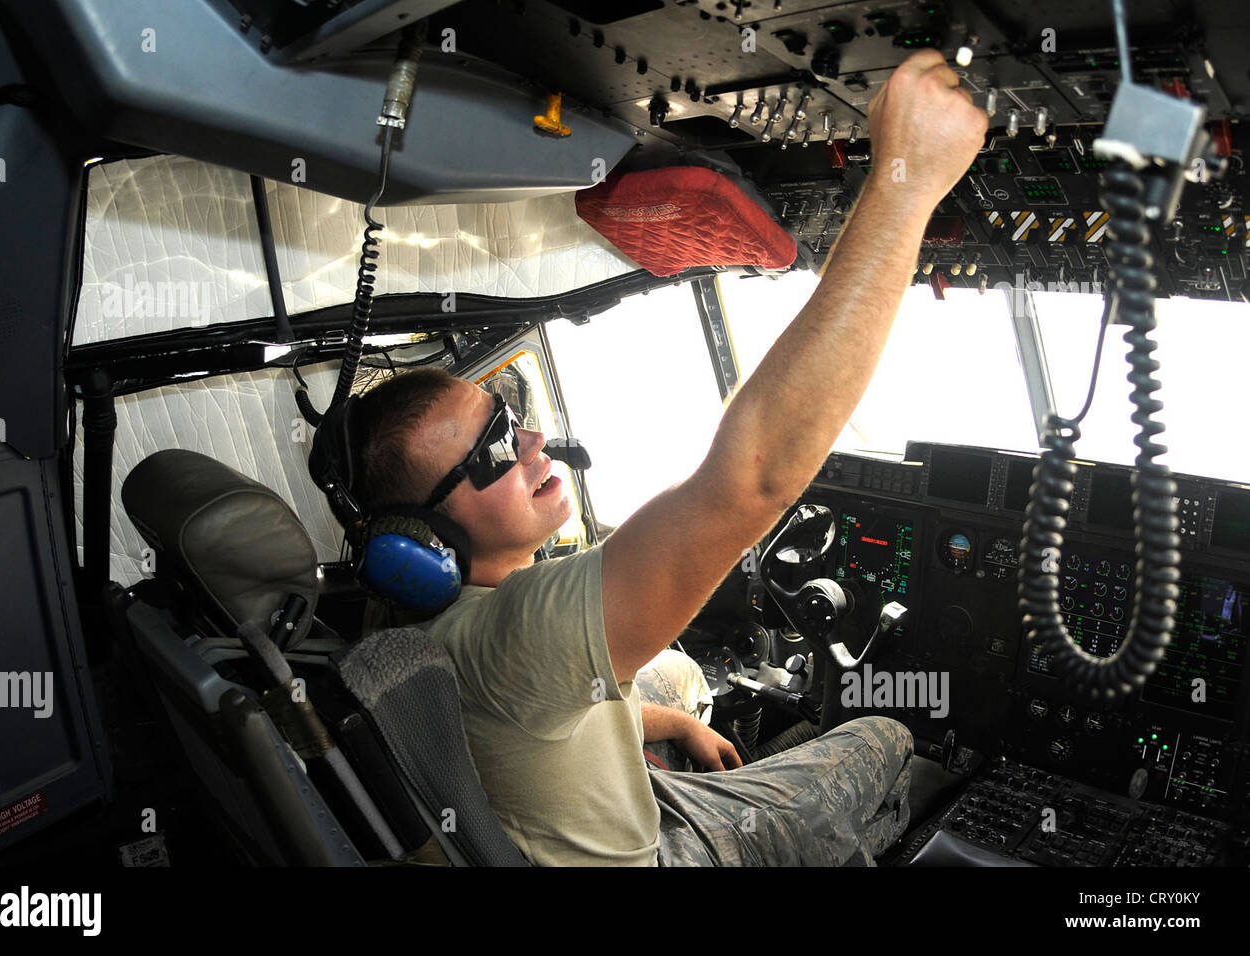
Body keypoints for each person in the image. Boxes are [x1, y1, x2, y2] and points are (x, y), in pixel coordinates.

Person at [351, 49, 988, 865]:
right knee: (886, 735)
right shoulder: (518, 631)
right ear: (424, 542)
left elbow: (550, 685)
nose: (535, 441)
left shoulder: (416, 616)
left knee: (682, 675)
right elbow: (752, 477)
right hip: (658, 856)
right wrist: (906, 181)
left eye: (513, 415)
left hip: (567, 779)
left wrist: (673, 722)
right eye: (497, 449)